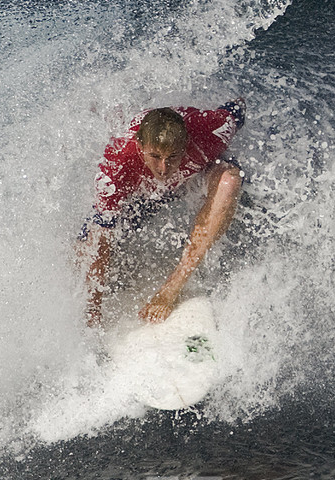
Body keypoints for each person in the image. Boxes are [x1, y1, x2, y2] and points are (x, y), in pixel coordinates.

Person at [79, 100, 244, 326]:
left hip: (193, 178)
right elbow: (100, 240)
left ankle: (171, 289)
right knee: (82, 256)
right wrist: (93, 310)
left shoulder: (210, 130)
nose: (164, 168)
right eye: (155, 157)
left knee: (230, 180)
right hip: (141, 192)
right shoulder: (117, 167)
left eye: (173, 157)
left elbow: (237, 108)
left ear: (186, 145)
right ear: (140, 146)